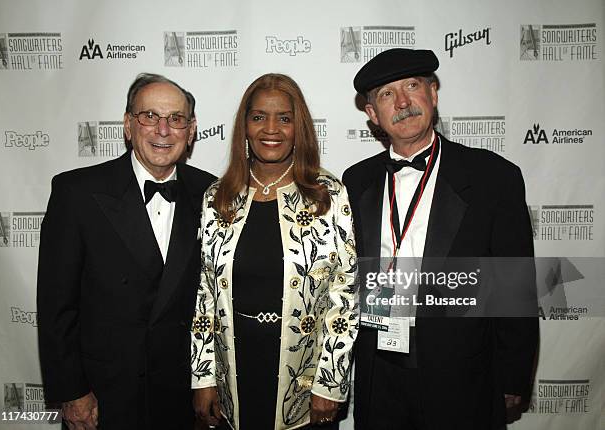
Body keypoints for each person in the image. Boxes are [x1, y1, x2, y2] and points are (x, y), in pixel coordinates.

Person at [343, 48, 538, 429]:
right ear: (372, 115)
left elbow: (515, 287)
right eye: (386, 94)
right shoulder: (355, 181)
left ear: (433, 93)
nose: (402, 102)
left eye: (412, 86)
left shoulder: (493, 177)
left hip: (462, 373)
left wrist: (513, 376)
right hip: (378, 372)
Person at [37, 73, 216, 429]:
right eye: (150, 116)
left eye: (176, 119)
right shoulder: (77, 193)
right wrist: (73, 393)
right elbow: (57, 307)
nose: (162, 130)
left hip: (181, 399)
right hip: (103, 399)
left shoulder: (213, 193)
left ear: (191, 130)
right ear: (128, 125)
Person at [191, 73, 358, 430]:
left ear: (300, 128)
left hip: (303, 382)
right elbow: (204, 295)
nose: (272, 129)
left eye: (285, 118)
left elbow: (345, 294)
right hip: (232, 375)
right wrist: (203, 377)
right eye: (258, 117)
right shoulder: (217, 198)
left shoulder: (327, 195)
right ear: (245, 127)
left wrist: (330, 382)